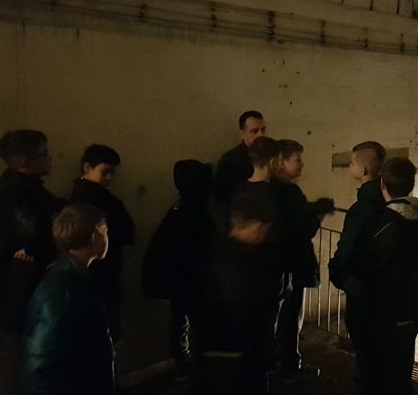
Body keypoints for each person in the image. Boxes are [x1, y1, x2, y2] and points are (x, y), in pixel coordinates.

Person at [188, 192, 283, 395]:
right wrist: (267, 353)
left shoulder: (213, 249)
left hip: (209, 351)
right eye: (265, 229)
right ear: (257, 226)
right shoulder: (243, 266)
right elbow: (250, 318)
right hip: (237, 359)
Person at [353, 157, 418, 395]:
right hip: (412, 303)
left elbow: (359, 264)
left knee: (376, 367)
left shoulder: (379, 225)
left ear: (382, 186)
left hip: (381, 307)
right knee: (403, 362)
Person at [17, 204, 114, 395]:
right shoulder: (71, 290)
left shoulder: (65, 277)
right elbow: (53, 359)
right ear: (95, 236)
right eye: (106, 232)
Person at [142, 160, 216, 381]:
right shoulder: (195, 212)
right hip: (193, 280)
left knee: (180, 321)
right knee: (200, 325)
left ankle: (184, 363)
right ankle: (200, 367)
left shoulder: (180, 207)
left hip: (179, 280)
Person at [0, 130, 66, 336]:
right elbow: (34, 234)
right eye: (44, 154)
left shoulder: (31, 189)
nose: (50, 159)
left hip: (25, 278)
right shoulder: (16, 194)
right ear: (24, 162)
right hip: (21, 281)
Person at [270, 139, 333, 383]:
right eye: (297, 159)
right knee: (290, 317)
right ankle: (290, 367)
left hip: (273, 264)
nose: (302, 164)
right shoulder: (288, 192)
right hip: (292, 264)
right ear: (280, 163)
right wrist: (316, 215)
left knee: (276, 318)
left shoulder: (265, 187)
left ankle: (275, 364)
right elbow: (301, 229)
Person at [328, 141, 386, 378]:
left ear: (362, 170)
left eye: (351, 163)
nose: (349, 167)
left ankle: (368, 381)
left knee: (363, 337)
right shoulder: (387, 199)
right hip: (384, 283)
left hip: (363, 283)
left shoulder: (362, 208)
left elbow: (347, 248)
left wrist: (336, 271)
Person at [70, 144, 135, 343]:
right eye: (105, 172)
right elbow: (127, 231)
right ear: (87, 168)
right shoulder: (95, 199)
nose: (109, 178)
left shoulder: (83, 195)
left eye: (112, 173)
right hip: (100, 270)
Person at [213, 110, 267, 202]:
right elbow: (220, 195)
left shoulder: (268, 154)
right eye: (254, 131)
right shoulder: (231, 160)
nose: (260, 135)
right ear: (242, 134)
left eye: (263, 130)